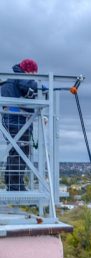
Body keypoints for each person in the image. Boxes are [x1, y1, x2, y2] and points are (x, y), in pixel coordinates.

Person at [1, 59, 38, 191]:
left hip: (11, 120)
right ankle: (16, 186)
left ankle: (13, 184)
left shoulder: (13, 81)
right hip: (16, 121)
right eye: (34, 73)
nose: (35, 77)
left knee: (15, 151)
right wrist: (42, 88)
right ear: (28, 71)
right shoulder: (20, 78)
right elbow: (31, 86)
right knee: (20, 151)